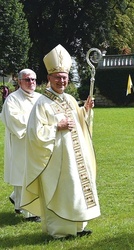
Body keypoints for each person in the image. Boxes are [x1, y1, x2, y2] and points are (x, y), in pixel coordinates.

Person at [21, 44, 100, 239]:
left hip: (75, 158)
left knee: (77, 189)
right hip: (55, 161)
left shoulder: (70, 99)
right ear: (49, 79)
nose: (61, 80)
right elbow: (34, 133)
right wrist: (57, 125)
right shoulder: (42, 103)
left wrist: (85, 110)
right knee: (62, 193)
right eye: (57, 77)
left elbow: (79, 122)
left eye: (64, 77)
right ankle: (60, 231)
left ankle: (78, 227)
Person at [1, 69, 41, 222]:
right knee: (23, 175)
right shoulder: (12, 99)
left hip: (38, 143)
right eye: (27, 80)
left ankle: (16, 199)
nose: (31, 82)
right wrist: (36, 123)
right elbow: (14, 120)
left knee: (37, 173)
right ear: (19, 81)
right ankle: (29, 212)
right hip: (21, 143)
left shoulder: (39, 97)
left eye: (33, 79)